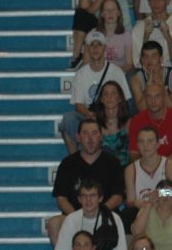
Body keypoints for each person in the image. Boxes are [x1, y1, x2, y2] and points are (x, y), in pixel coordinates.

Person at [47, 117, 125, 246]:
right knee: (54, 224)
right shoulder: (67, 164)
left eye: (94, 133)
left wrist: (97, 214)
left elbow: (118, 196)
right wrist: (78, 217)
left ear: (101, 136)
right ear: (78, 137)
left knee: (118, 221)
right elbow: (61, 199)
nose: (90, 138)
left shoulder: (113, 162)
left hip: (104, 216)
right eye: (85, 133)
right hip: (74, 216)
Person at [60, 31, 132, 153]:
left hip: (112, 114)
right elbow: (78, 104)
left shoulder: (116, 71)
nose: (95, 48)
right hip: (90, 113)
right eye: (92, 45)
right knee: (68, 119)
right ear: (87, 48)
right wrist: (90, 114)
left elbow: (126, 100)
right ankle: (76, 159)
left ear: (104, 48)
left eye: (99, 45)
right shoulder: (81, 73)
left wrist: (111, 115)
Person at [54, 179, 127, 250]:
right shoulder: (71, 220)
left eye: (92, 195)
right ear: (79, 199)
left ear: (100, 198)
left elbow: (121, 248)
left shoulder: (113, 219)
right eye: (84, 196)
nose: (88, 199)